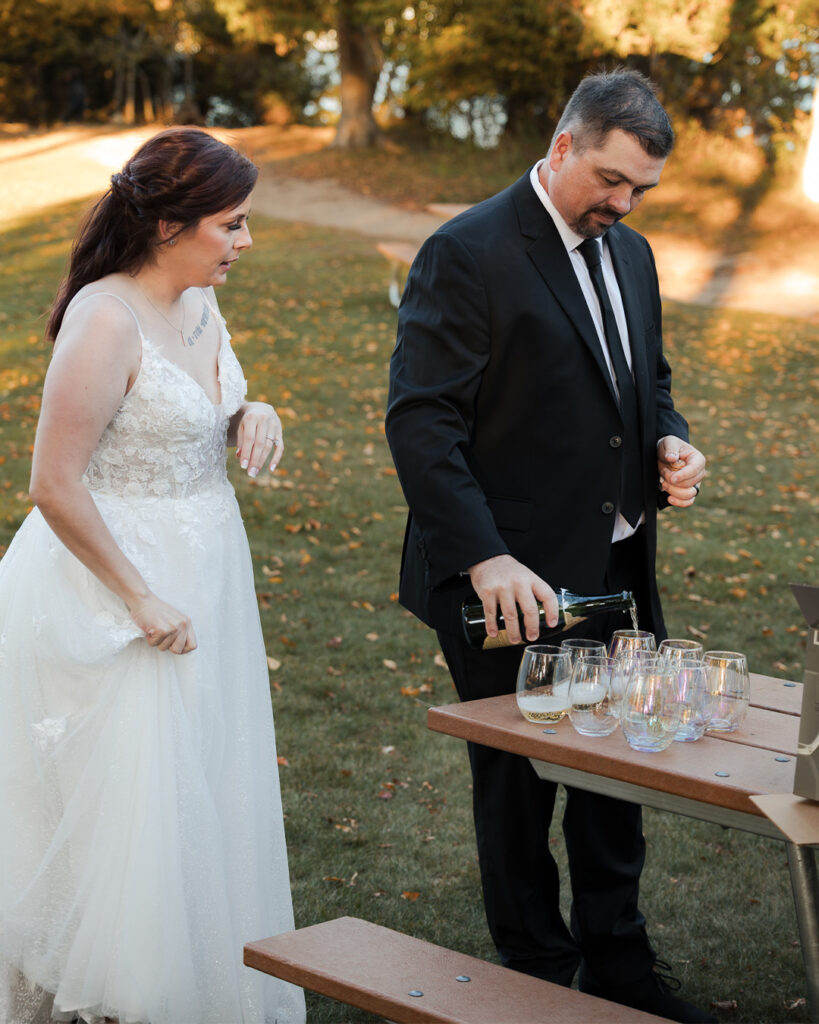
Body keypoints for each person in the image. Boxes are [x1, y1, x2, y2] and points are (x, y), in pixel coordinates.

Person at [386, 69, 711, 1023]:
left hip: (616, 563)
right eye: (610, 180)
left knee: (617, 773)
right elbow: (421, 422)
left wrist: (669, 440)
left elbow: (645, 382)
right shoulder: (466, 251)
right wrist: (483, 556)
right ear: (562, 145)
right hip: (507, 578)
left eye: (641, 189)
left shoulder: (633, 253)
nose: (624, 203)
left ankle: (619, 964)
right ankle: (533, 974)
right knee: (520, 784)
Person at [0, 128, 305, 1024]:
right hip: (114, 585)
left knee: (200, 779)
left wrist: (252, 411)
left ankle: (197, 977)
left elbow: (190, 405)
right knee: (129, 805)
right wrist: (138, 597)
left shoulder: (198, 301)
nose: (246, 240)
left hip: (207, 568)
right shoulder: (105, 319)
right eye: (231, 224)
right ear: (170, 225)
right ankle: (121, 993)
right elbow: (53, 483)